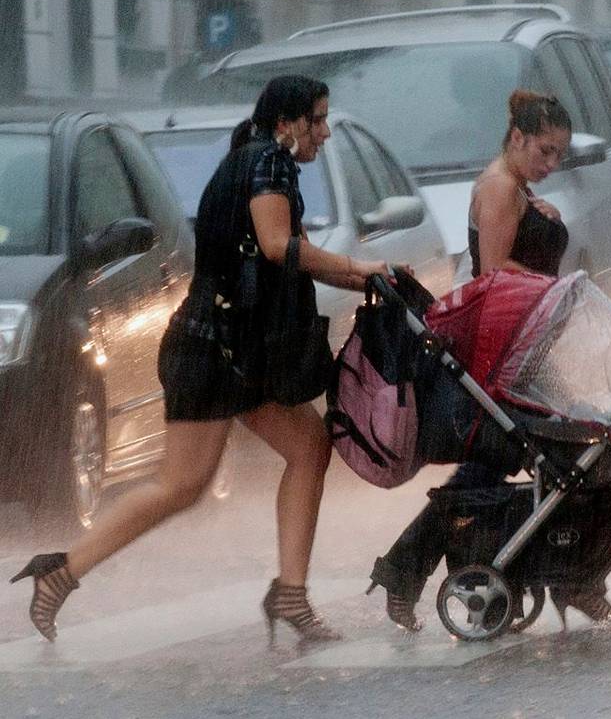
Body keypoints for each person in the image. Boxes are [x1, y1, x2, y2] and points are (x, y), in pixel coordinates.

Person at [10, 75, 396, 645]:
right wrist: (357, 270)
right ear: (286, 124)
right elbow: (276, 245)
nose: (325, 131)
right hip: (216, 351)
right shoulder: (268, 161)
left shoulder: (253, 158)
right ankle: (63, 571)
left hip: (227, 347)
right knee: (183, 484)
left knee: (294, 453)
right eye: (316, 119)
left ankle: (289, 593)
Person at [366, 89, 611, 632]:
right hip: (497, 355)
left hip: (520, 348)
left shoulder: (515, 187)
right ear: (517, 138)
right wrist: (557, 282)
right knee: (553, 455)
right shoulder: (501, 188)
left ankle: (409, 574)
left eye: (558, 155)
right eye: (543, 151)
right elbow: (494, 280)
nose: (551, 164)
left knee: (527, 461)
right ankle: (572, 579)